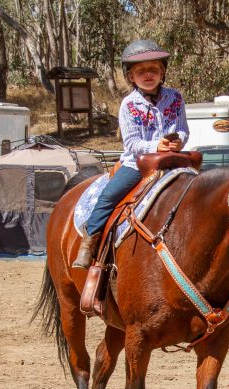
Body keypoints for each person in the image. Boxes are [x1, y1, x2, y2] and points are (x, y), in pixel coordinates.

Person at [73, 39, 189, 269]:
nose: (148, 75)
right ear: (130, 76)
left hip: (173, 161)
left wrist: (178, 143)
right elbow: (133, 143)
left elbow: (183, 129)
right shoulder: (128, 105)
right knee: (108, 197)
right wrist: (157, 146)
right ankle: (89, 242)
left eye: (154, 69)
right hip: (138, 164)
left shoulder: (175, 98)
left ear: (162, 72)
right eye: (141, 71)